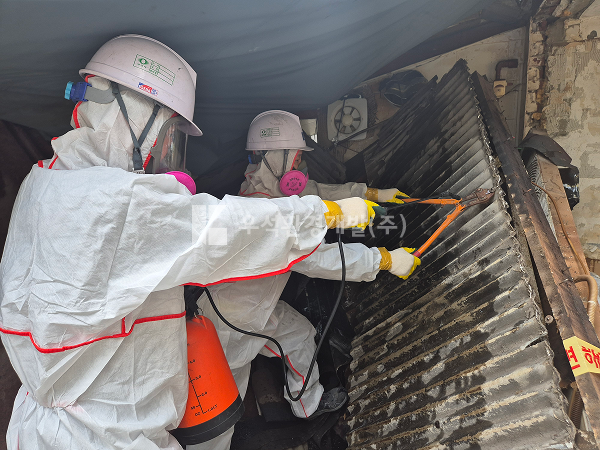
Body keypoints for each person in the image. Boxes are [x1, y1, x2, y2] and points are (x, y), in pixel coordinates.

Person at [0, 36, 376, 450]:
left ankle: (304, 406)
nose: (164, 153)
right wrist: (324, 215)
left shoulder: (45, 182)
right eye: (167, 135)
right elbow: (222, 230)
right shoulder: (114, 201)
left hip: (59, 422)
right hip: (105, 434)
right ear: (135, 115)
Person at [188, 110, 420, 450]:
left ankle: (307, 406)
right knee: (219, 414)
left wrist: (369, 193)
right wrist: (384, 261)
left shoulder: (268, 193)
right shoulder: (261, 213)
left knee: (299, 335)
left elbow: (315, 192)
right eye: (296, 158)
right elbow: (321, 259)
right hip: (230, 324)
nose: (299, 166)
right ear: (275, 159)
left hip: (259, 306)